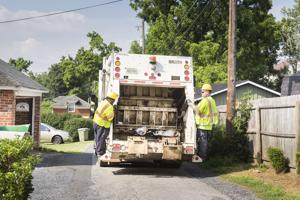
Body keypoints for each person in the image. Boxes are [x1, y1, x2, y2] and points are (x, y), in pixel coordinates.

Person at [195, 84, 218, 160]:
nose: (201, 93)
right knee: (205, 142)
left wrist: (192, 106)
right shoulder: (212, 100)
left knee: (202, 142)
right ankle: (204, 157)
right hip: (209, 125)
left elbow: (197, 110)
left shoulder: (205, 100)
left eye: (202, 91)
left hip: (203, 125)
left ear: (207, 92)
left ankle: (201, 158)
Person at [93, 91, 118, 156]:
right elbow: (110, 118)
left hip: (96, 122)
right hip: (103, 125)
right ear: (112, 99)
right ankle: (100, 152)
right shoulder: (109, 107)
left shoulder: (103, 102)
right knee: (101, 138)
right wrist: (115, 112)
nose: (114, 102)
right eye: (114, 100)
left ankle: (98, 151)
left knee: (98, 138)